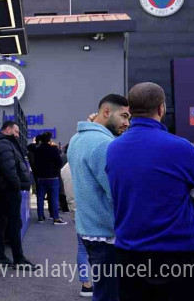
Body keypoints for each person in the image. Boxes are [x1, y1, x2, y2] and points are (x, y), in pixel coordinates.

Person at [106, 83, 194, 301]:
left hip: (129, 253)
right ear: (161, 109)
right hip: (177, 254)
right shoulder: (180, 147)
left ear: (131, 109)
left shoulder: (114, 148)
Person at [67, 94, 130, 301]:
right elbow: (117, 193)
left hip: (91, 230)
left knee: (105, 292)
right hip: (107, 234)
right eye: (123, 116)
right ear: (106, 112)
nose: (127, 123)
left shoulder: (78, 138)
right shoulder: (103, 144)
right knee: (112, 294)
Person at [0, 121, 39, 268]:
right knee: (14, 224)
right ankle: (18, 259)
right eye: (15, 131)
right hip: (8, 190)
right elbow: (9, 169)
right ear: (8, 129)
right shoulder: (3, 144)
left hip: (1, 189)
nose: (17, 135)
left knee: (1, 222)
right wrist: (17, 186)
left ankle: (1, 257)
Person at [61, 161, 93, 297]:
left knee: (82, 248)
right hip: (94, 212)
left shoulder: (66, 168)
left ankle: (86, 284)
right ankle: (104, 283)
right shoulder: (88, 162)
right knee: (103, 248)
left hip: (77, 212)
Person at [32, 132, 66, 225]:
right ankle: (55, 217)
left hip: (41, 177)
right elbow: (59, 163)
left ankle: (40, 217)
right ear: (49, 140)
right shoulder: (53, 149)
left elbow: (35, 163)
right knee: (54, 198)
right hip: (53, 177)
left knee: (40, 198)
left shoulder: (37, 150)